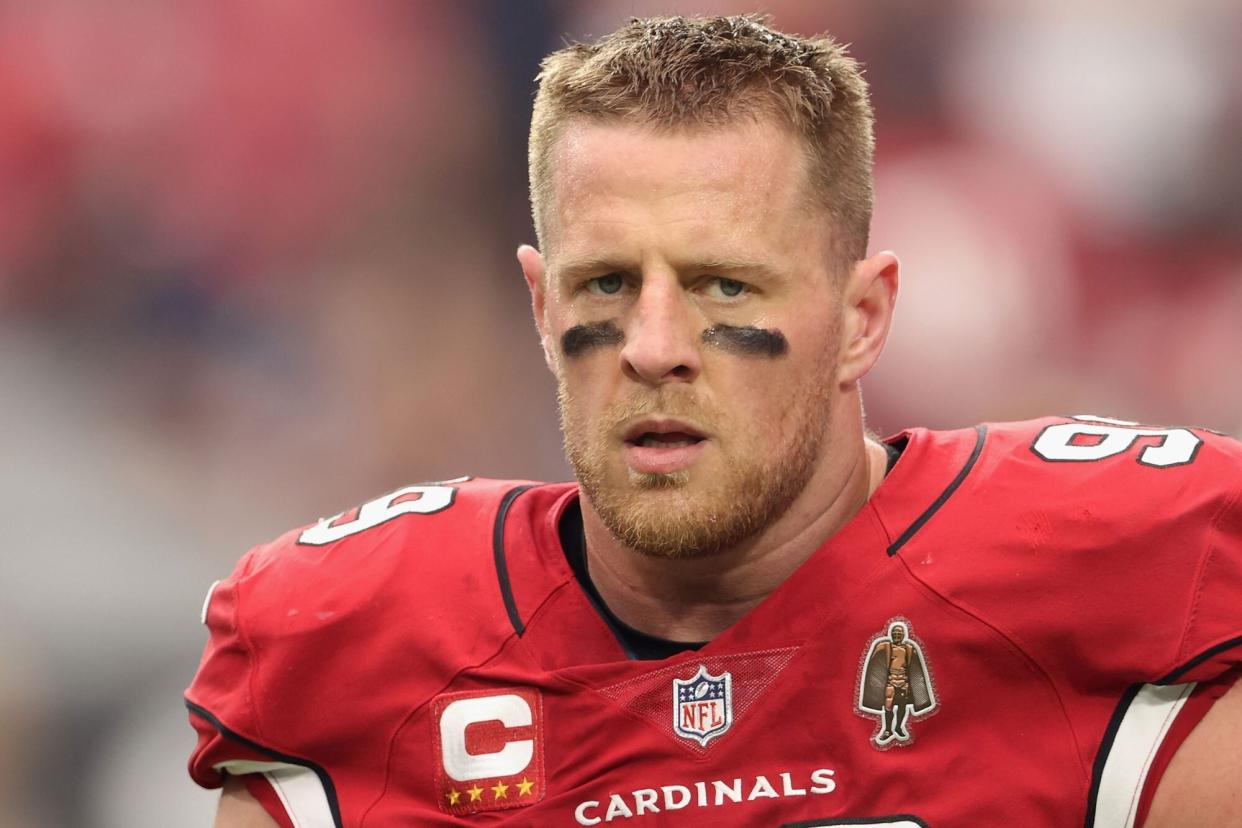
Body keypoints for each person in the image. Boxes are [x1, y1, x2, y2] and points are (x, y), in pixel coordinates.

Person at [186, 15, 1242, 827]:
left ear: (863, 318)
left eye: (724, 286)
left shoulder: (1113, 578)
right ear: (542, 307)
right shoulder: (356, 652)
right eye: (604, 283)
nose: (653, 343)